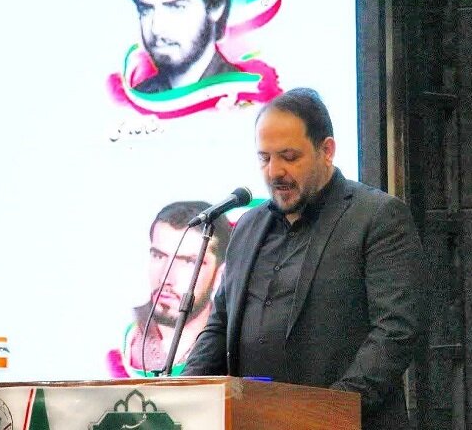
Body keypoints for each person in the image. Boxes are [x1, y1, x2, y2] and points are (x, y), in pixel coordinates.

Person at [182, 88, 424, 429]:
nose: (274, 171)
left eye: (289, 156)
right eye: (264, 158)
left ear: (327, 151)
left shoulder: (377, 217)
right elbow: (220, 326)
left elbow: (395, 331)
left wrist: (326, 412)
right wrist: (180, 396)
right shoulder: (248, 226)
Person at [107, 201, 231, 377]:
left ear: (220, 273)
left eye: (189, 262)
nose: (166, 277)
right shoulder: (120, 338)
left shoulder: (232, 349)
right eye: (158, 256)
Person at [125, 0, 239, 93]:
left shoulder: (244, 95)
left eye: (176, 7)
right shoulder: (138, 97)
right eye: (146, 10)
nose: (156, 28)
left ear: (215, 7)